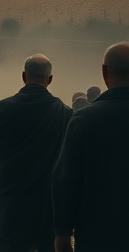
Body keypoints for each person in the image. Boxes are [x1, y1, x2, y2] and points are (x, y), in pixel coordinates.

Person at [0, 54, 72, 252]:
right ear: (49, 79)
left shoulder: (4, 108)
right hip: (47, 199)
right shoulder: (64, 112)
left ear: (24, 76)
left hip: (11, 198)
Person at [53, 43, 129, 252]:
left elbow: (66, 180)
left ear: (104, 72)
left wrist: (63, 233)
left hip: (98, 234)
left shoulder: (84, 120)